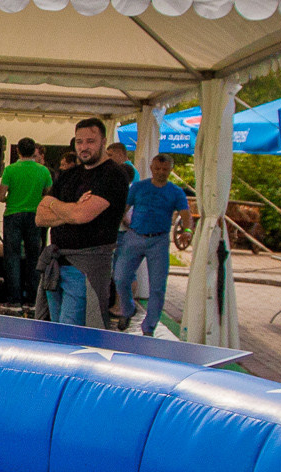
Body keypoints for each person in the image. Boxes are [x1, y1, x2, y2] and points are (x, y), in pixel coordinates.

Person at [35, 118, 129, 326]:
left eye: (90, 141)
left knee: (73, 335)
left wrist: (53, 203)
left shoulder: (113, 175)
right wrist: (73, 207)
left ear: (103, 141)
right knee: (53, 331)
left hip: (87, 268)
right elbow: (40, 217)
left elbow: (81, 216)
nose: (84, 147)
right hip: (57, 265)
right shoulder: (69, 175)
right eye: (79, 142)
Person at [112, 153, 188, 335]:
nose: (161, 172)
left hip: (159, 241)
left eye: (165, 169)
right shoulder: (139, 187)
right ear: (152, 168)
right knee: (120, 276)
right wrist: (119, 221)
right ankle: (128, 308)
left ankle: (149, 326)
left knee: (157, 286)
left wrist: (187, 231)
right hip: (135, 236)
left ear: (170, 170)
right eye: (158, 168)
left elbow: (185, 214)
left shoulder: (176, 192)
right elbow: (125, 207)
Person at [0, 137, 51, 311]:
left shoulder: (11, 170)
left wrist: (11, 198)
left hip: (13, 214)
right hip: (35, 215)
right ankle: (33, 300)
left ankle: (14, 299)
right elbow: (48, 193)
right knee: (34, 256)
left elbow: (0, 196)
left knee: (12, 256)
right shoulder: (43, 171)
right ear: (34, 151)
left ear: (17, 151)